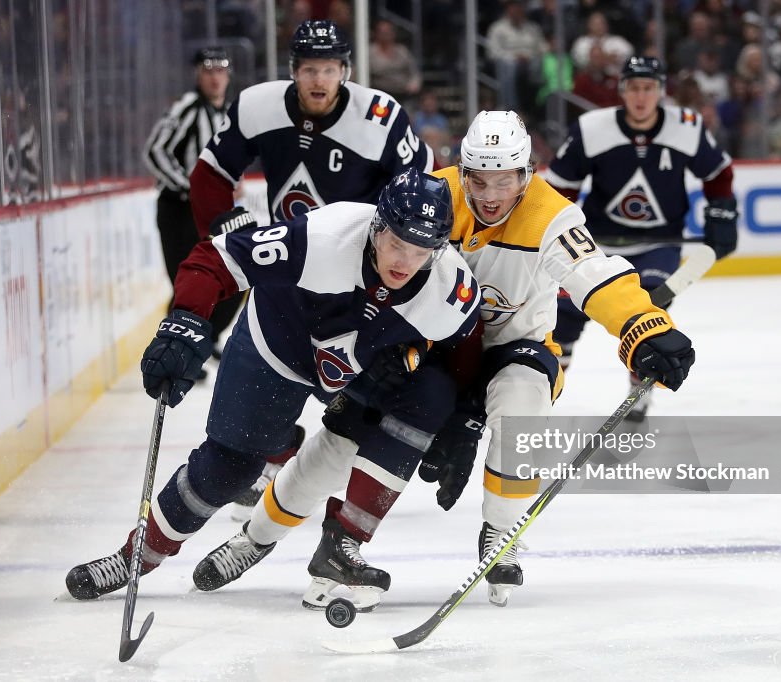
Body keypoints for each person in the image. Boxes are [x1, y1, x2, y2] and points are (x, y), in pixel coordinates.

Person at [195, 111, 696, 609]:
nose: (491, 194)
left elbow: (596, 274)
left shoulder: (552, 215)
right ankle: (256, 537)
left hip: (512, 348)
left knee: (522, 405)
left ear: (528, 173)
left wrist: (644, 327)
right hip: (427, 349)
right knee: (342, 439)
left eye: (505, 179)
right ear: (462, 171)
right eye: (479, 179)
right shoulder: (432, 197)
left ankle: (501, 535)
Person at [65, 168, 482, 609]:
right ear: (377, 227)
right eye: (396, 242)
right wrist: (186, 319)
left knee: (429, 396)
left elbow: (465, 353)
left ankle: (342, 545)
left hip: (358, 365)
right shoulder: (323, 236)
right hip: (275, 343)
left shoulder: (451, 290)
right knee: (230, 467)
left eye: (420, 251)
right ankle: (137, 556)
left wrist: (462, 425)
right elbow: (216, 259)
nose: (403, 261)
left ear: (438, 250)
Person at [188, 20, 435, 517]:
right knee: (264, 380)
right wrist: (225, 221)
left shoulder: (382, 118)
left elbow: (421, 193)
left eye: (328, 69)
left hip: (359, 283)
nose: (318, 80)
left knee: (368, 391)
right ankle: (274, 450)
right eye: (308, 70)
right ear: (293, 72)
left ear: (345, 70)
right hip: (288, 271)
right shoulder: (258, 105)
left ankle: (354, 494)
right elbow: (210, 174)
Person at [541, 56, 735, 420]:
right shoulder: (591, 128)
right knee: (563, 315)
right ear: (623, 91)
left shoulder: (687, 126)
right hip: (595, 244)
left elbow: (718, 172)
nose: (641, 96)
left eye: (648, 88)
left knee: (648, 307)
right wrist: (549, 230)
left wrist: (722, 213)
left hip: (659, 244)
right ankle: (544, 390)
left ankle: (640, 385)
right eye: (633, 88)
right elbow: (559, 187)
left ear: (660, 91)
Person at [142, 46, 236, 371]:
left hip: (208, 212)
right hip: (178, 210)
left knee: (233, 277)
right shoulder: (188, 108)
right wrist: (189, 187)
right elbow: (154, 151)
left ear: (228, 74)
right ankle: (175, 358)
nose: (214, 77)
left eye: (220, 70)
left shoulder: (226, 114)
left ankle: (203, 341)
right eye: (208, 70)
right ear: (198, 74)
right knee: (188, 283)